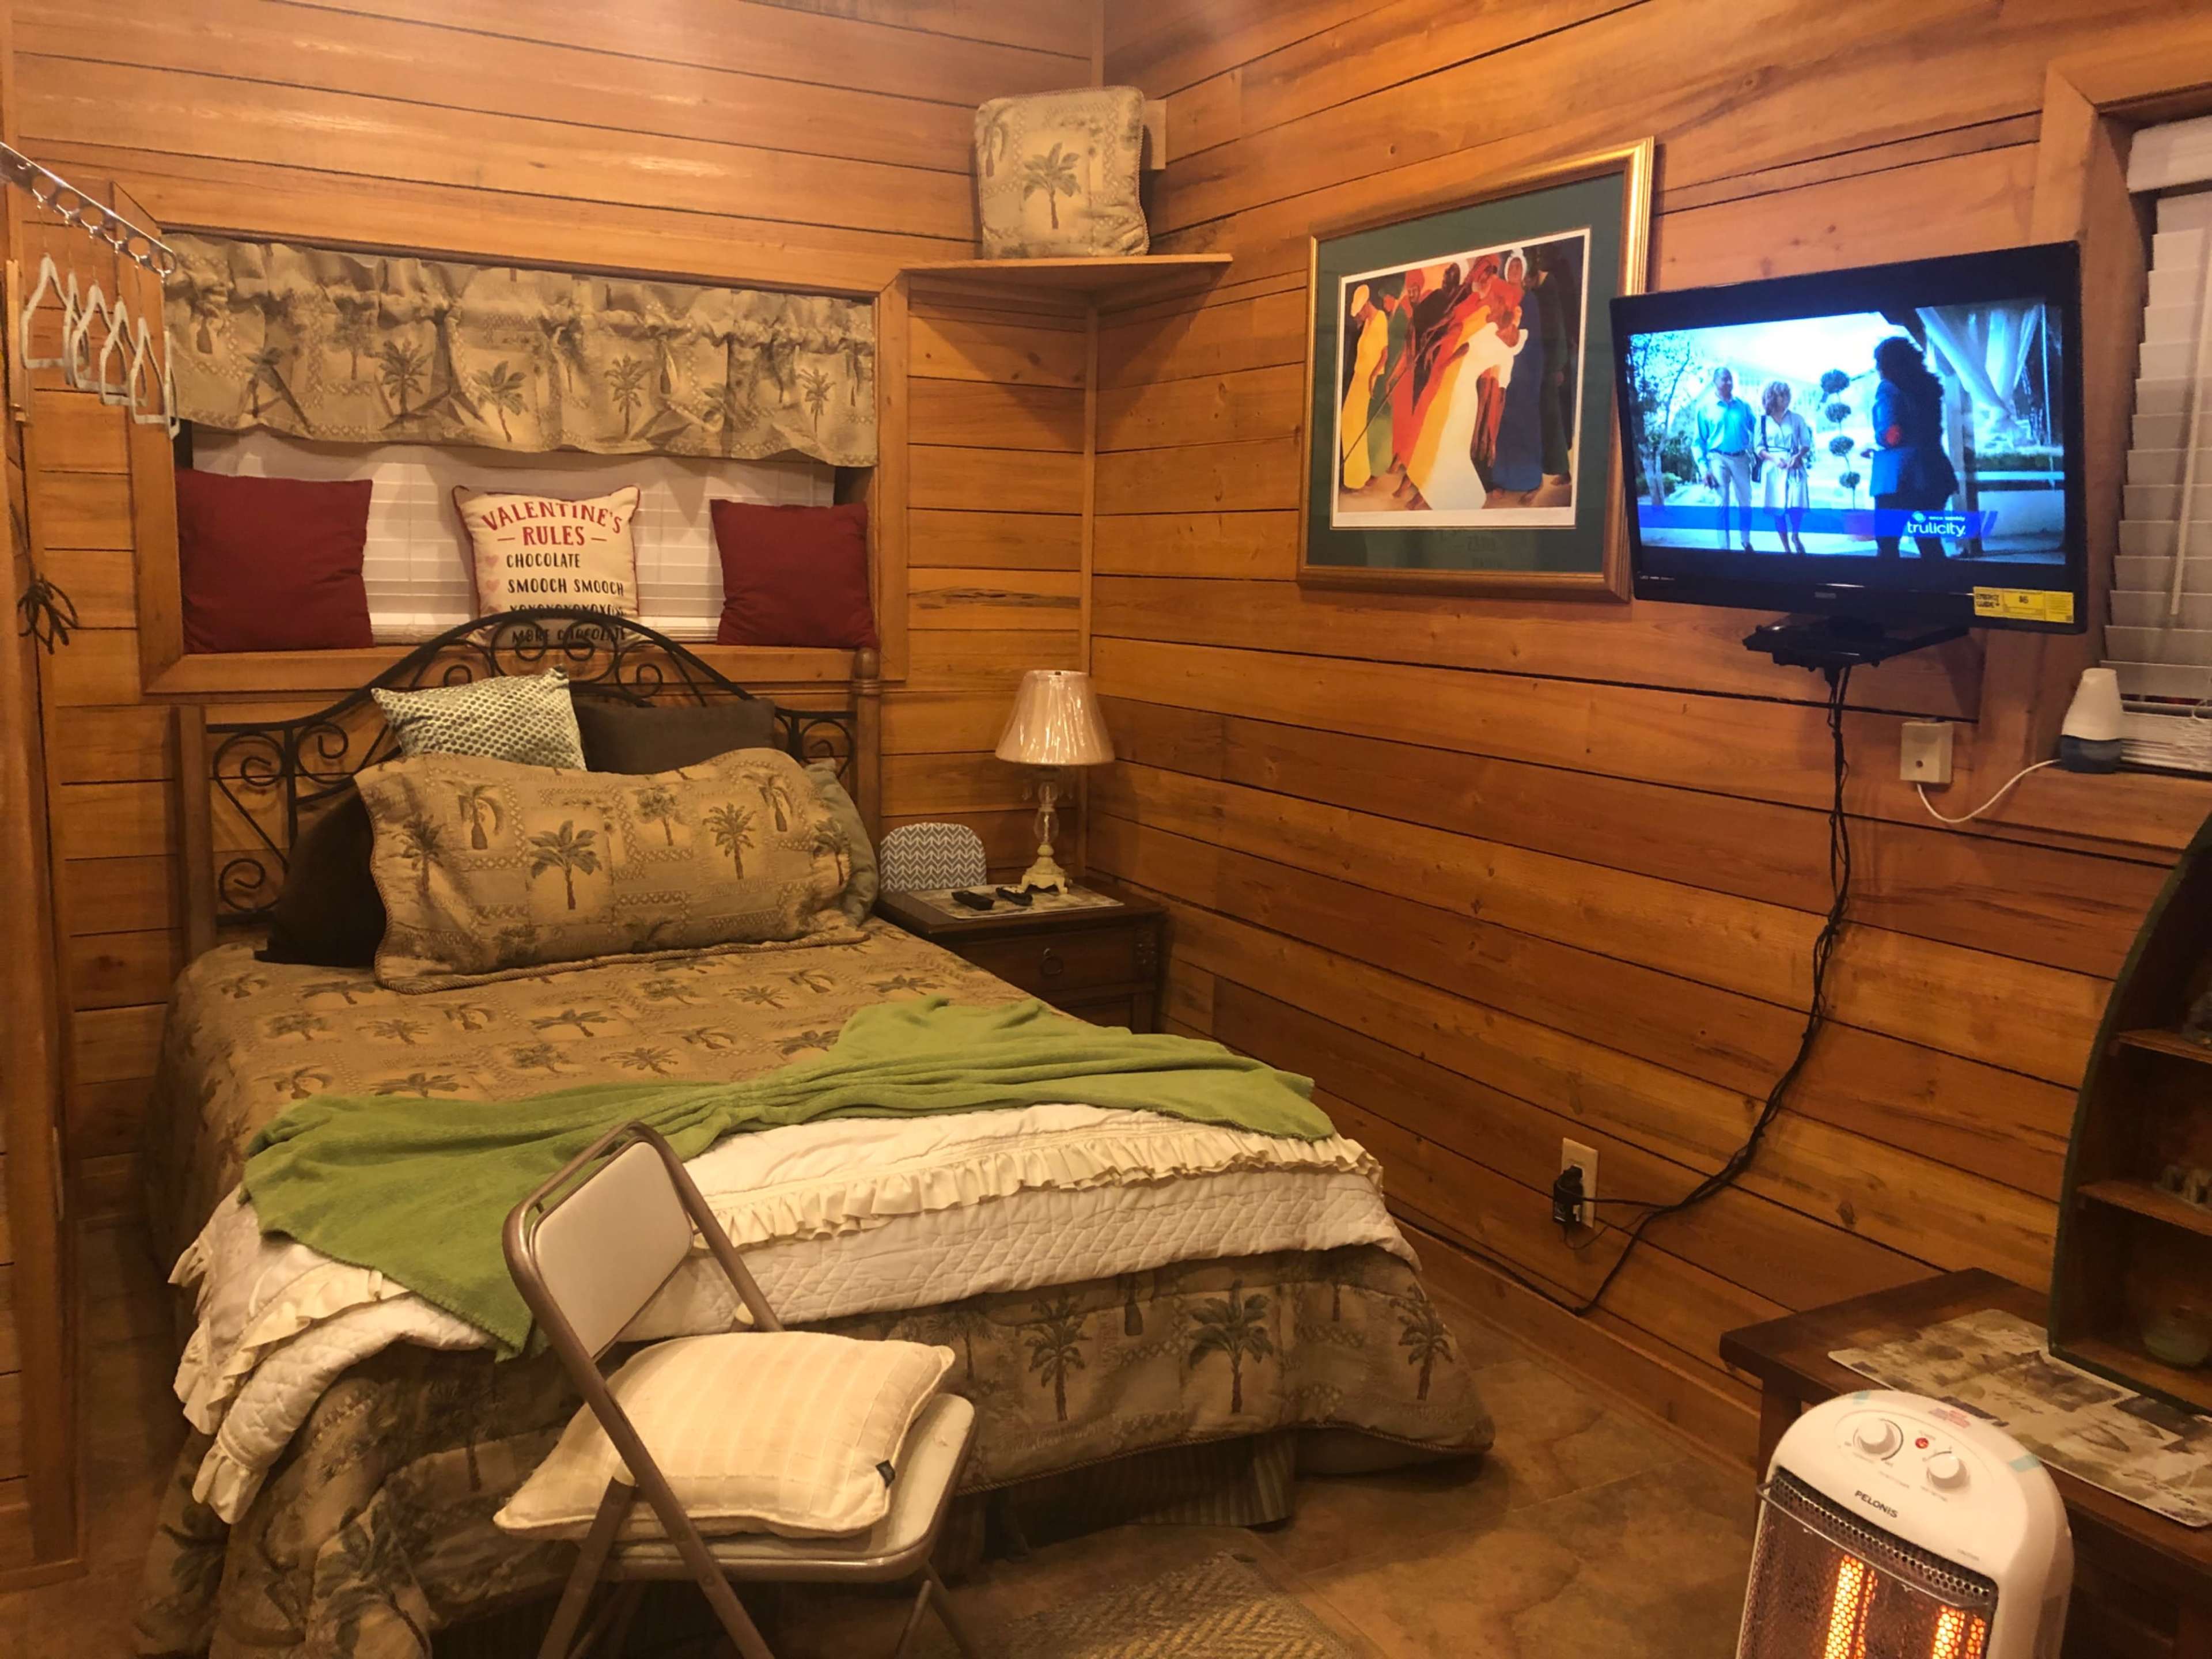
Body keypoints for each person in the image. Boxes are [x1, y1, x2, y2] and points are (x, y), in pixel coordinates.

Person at [1868, 335, 1959, 561]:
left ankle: (1893, 594)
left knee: (1888, 547)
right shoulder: (1930, 387)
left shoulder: (1888, 389)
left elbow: (1892, 435)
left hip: (1898, 480)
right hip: (1934, 473)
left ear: (1886, 365)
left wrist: (1879, 441)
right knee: (1930, 545)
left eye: (1878, 363)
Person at [1694, 368, 1756, 552]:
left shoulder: (1743, 406)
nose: (1729, 383)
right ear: (1715, 382)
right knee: (1722, 503)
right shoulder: (1705, 408)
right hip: (1717, 458)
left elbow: (1757, 429)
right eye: (1724, 380)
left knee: (1746, 502)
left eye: (1731, 379)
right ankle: (1725, 549)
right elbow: (1698, 442)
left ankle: (1746, 541)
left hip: (1741, 458)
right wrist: (1704, 469)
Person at [1339, 284, 1388, 492]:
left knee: (1355, 424)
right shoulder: (1368, 323)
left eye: (1360, 311)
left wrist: (1374, 376)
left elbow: (1385, 353)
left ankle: (1356, 478)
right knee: (1348, 423)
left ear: (1367, 305)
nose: (1359, 315)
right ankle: (1356, 473)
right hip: (1359, 378)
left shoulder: (1380, 320)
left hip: (1367, 380)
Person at [1756, 380, 1813, 554]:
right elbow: (1758, 448)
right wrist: (1774, 459)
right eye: (1782, 395)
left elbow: (1806, 443)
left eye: (1788, 395)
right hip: (1773, 468)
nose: (1786, 399)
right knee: (1778, 509)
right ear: (1773, 397)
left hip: (1794, 466)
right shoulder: (1763, 421)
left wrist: (1798, 456)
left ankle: (1795, 535)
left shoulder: (1797, 419)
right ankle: (1787, 548)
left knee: (1796, 506)